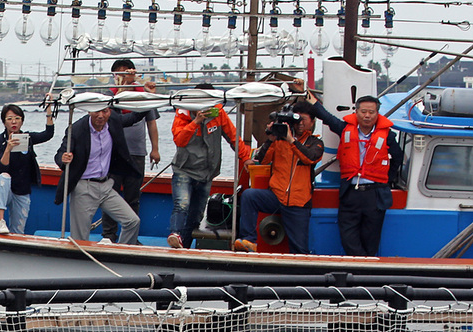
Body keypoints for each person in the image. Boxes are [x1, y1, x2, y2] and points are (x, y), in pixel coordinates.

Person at [300, 80, 404, 256]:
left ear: (377, 114)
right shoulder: (345, 129)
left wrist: (387, 179)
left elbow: (398, 157)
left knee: (371, 238)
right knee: (348, 235)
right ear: (356, 112)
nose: (367, 116)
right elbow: (327, 117)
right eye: (363, 111)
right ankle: (358, 264)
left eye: (371, 112)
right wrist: (308, 96)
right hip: (351, 193)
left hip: (375, 193)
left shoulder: (388, 135)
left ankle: (367, 271)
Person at [168, 85, 251, 249]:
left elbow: (233, 137)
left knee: (196, 215)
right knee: (181, 204)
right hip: (184, 170)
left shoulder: (218, 113)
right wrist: (195, 122)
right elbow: (179, 140)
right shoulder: (182, 114)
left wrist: (246, 158)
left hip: (206, 173)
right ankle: (174, 234)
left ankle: (183, 246)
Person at [235, 101, 324, 254]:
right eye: (297, 119)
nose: (300, 123)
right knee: (250, 196)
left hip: (299, 202)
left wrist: (291, 140)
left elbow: (309, 158)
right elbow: (261, 160)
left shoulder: (315, 143)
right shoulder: (279, 141)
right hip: (276, 195)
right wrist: (270, 137)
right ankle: (249, 240)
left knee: (299, 249)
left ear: (313, 121)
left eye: (304, 119)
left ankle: (300, 273)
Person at [54, 107, 147, 245]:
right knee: (80, 237)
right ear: (89, 111)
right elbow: (59, 154)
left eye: (105, 111)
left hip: (106, 185)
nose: (101, 115)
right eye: (96, 111)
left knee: (132, 221)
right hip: (83, 187)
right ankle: (80, 263)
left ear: (110, 112)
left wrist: (148, 98)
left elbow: (134, 117)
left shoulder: (113, 121)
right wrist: (63, 158)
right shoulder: (77, 129)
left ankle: (120, 255)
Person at [103, 59, 162, 243]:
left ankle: (130, 237)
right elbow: (103, 116)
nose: (124, 77)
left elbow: (151, 122)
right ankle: (108, 235)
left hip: (137, 152)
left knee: (133, 197)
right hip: (112, 153)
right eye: (119, 74)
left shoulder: (143, 93)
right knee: (109, 194)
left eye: (127, 73)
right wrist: (122, 89)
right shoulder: (108, 93)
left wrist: (155, 149)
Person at [0, 101, 55, 235]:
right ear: (4, 122)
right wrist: (8, 149)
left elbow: (48, 134)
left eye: (17, 119)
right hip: (3, 189)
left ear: (22, 121)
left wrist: (49, 109)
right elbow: (1, 167)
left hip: (22, 189)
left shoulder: (28, 138)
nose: (14, 122)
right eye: (9, 119)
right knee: (4, 177)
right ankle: (0, 220)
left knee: (18, 231)